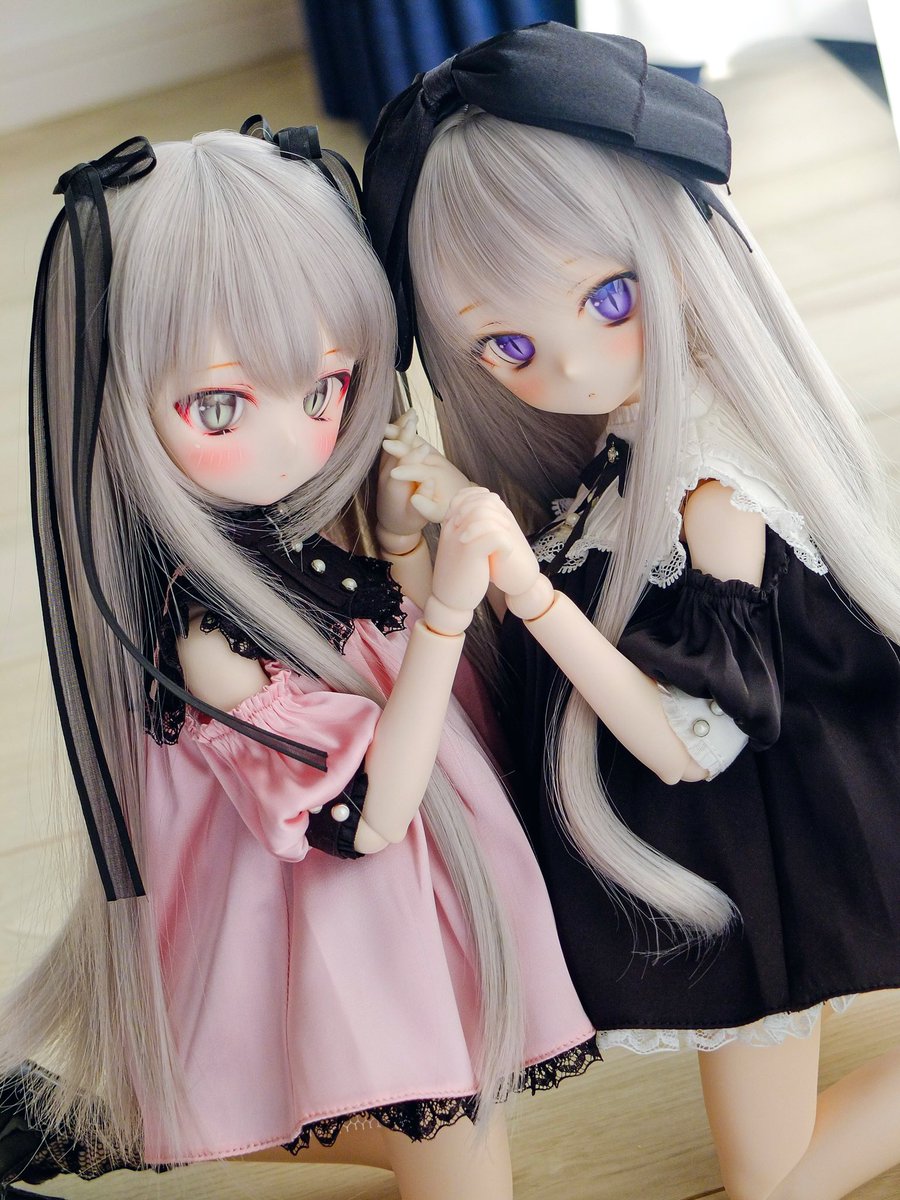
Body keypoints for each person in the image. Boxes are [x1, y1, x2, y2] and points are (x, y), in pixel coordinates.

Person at [0, 119, 598, 1200]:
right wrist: (446, 609)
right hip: (356, 927)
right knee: (454, 1155)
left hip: (412, 929)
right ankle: (89, 1127)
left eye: (326, 388)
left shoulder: (298, 550)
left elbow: (420, 690)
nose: (295, 440)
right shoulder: (204, 638)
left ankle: (86, 1128)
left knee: (437, 1136)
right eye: (220, 406)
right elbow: (366, 816)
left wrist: (407, 551)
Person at [363, 22, 900, 1200]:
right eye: (506, 345)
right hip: (712, 866)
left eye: (611, 296)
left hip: (766, 848)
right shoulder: (619, 455)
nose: (567, 369)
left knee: (776, 1180)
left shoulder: (715, 494)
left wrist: (527, 588)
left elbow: (689, 740)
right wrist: (415, 545)